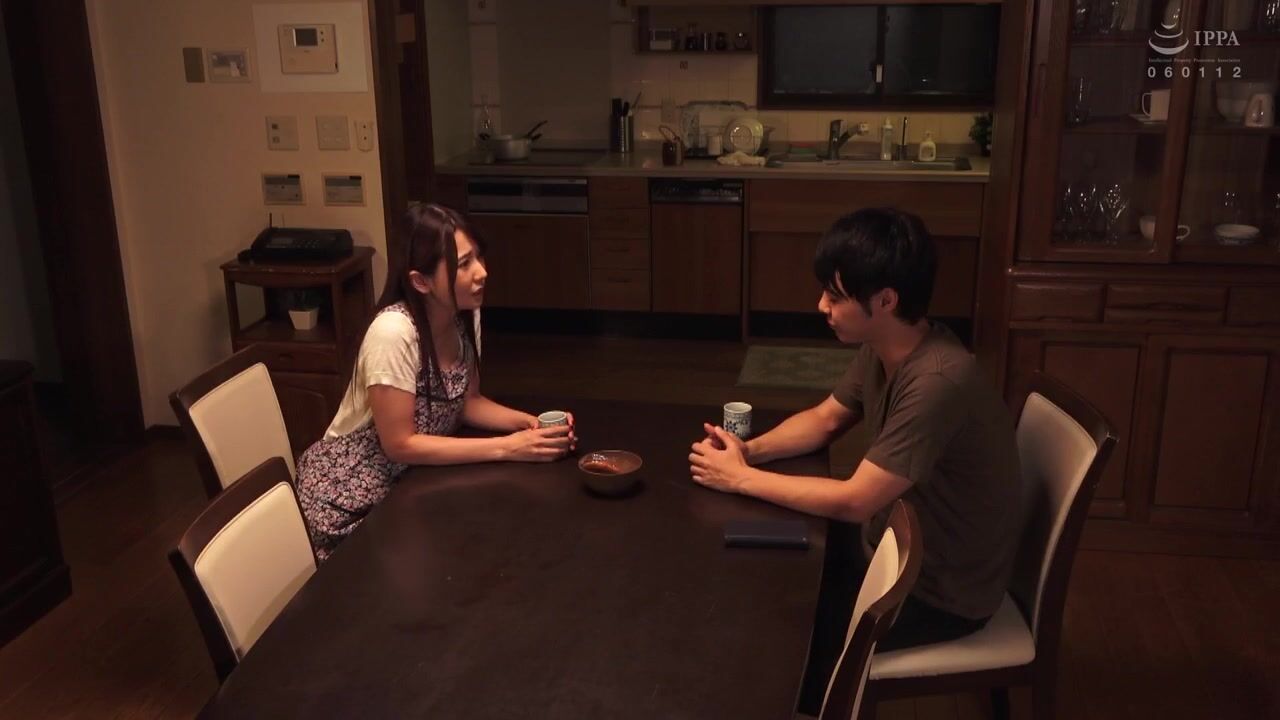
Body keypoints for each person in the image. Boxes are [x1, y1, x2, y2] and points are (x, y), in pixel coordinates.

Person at [687, 207, 1022, 714]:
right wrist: (748, 452)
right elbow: (825, 420)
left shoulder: (937, 381)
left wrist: (740, 479)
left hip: (938, 592)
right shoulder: (887, 347)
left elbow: (855, 500)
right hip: (889, 547)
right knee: (758, 584)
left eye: (835, 295)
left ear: (885, 300)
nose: (821, 305)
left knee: (776, 649)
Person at [296, 203, 576, 561]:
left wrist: (531, 426)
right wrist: (510, 447)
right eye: (464, 264)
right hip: (350, 496)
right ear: (420, 281)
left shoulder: (463, 314)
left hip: (415, 481)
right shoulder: (394, 332)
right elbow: (400, 445)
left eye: (478, 257)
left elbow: (467, 402)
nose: (482, 272)